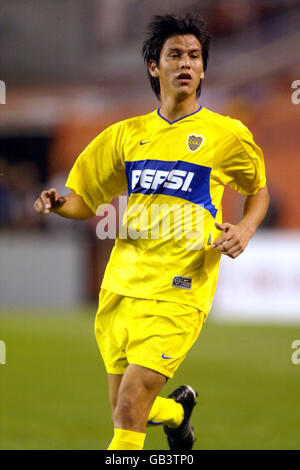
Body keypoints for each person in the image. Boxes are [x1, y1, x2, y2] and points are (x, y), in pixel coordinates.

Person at [33, 14, 270, 451]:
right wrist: (60, 204)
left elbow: (258, 190)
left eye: (194, 57)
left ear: (203, 69)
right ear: (153, 67)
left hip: (180, 287)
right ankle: (178, 414)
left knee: (128, 409)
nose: (186, 64)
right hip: (122, 285)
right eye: (175, 55)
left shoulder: (225, 135)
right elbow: (85, 198)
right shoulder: (125, 135)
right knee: (126, 409)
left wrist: (247, 227)